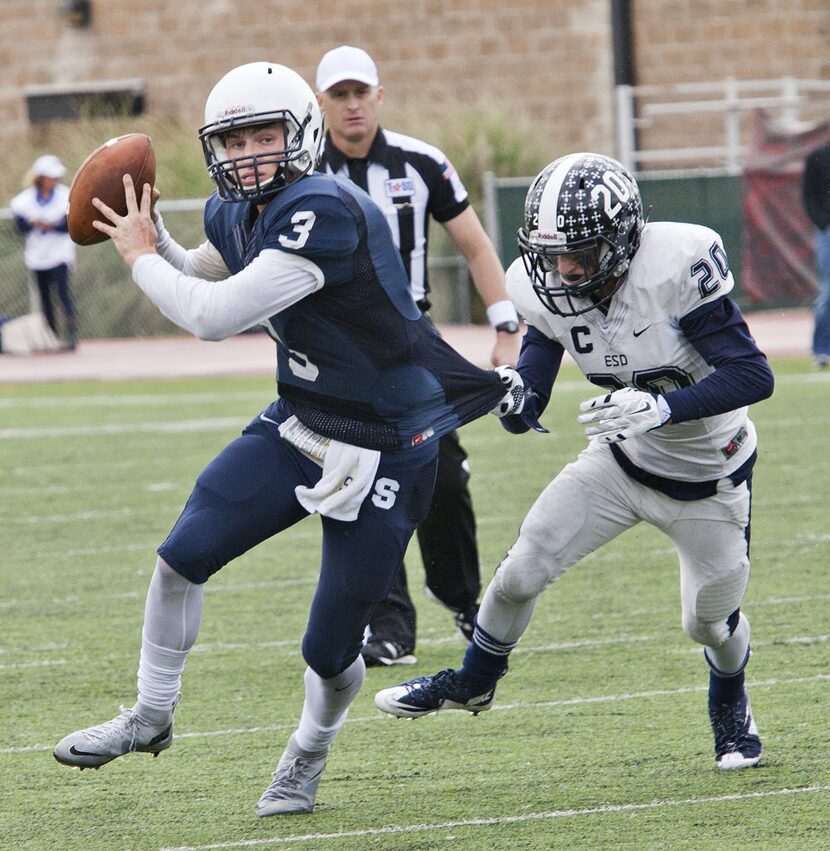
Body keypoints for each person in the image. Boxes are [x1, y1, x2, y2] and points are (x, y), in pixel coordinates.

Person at [52, 61, 524, 816]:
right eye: (231, 140)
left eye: (262, 136)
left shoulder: (322, 210)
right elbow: (204, 274)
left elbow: (214, 317)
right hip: (303, 418)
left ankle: (308, 748)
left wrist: (139, 256)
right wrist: (153, 240)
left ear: (299, 133)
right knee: (180, 558)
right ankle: (150, 714)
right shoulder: (239, 210)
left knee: (329, 650)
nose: (245, 154)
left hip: (386, 444)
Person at [375, 152, 775, 772]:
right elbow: (534, 373)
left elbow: (753, 374)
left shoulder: (676, 265)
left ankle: (730, 699)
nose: (561, 268)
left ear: (619, 240)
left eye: (579, 254)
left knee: (709, 625)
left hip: (708, 478)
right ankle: (475, 680)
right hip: (618, 464)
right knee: (520, 569)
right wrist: (513, 399)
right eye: (550, 252)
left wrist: (666, 408)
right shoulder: (547, 288)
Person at [315, 45, 521, 667]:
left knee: (442, 472)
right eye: (339, 95)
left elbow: (479, 248)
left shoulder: (421, 162)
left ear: (379, 95)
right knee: (358, 478)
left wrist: (506, 324)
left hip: (410, 337)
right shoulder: (302, 173)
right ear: (320, 104)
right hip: (335, 344)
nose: (352, 105)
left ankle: (463, 598)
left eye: (361, 93)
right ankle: (387, 625)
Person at [9, 155, 78, 350]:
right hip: (37, 256)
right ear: (40, 177)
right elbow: (19, 228)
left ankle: (72, 336)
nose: (54, 181)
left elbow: (68, 226)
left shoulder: (65, 196)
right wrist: (32, 223)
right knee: (45, 298)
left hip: (60, 254)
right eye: (50, 177)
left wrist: (50, 225)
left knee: (63, 294)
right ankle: (52, 336)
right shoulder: (24, 201)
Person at [801, 141, 830, 368]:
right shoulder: (819, 156)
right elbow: (809, 195)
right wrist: (824, 224)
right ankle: (821, 350)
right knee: (827, 292)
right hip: (828, 231)